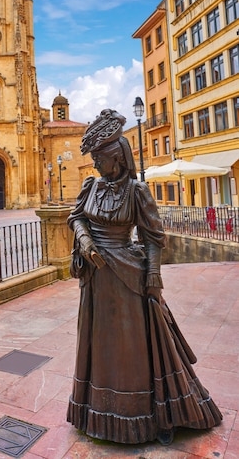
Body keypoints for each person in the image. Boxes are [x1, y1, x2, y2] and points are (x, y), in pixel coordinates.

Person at [67, 109, 222, 446]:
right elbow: (76, 217)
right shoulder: (90, 185)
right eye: (93, 157)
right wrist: (85, 240)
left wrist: (152, 277)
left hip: (127, 276)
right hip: (96, 280)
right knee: (100, 344)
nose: (94, 164)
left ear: (116, 157)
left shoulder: (137, 191)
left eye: (99, 158)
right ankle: (95, 411)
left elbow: (154, 237)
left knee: (130, 347)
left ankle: (139, 414)